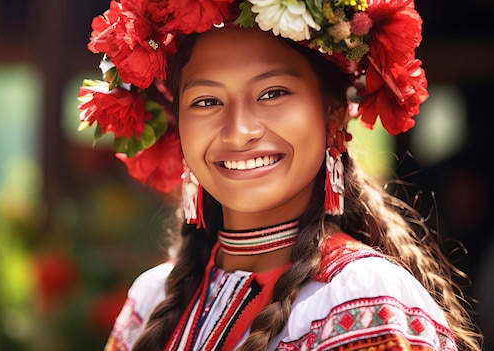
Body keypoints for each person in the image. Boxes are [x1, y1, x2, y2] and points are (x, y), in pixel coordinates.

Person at [78, 0, 483, 350]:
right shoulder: (149, 301)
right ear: (178, 128)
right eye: (206, 101)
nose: (238, 131)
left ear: (334, 114)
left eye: (272, 93)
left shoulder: (367, 303)